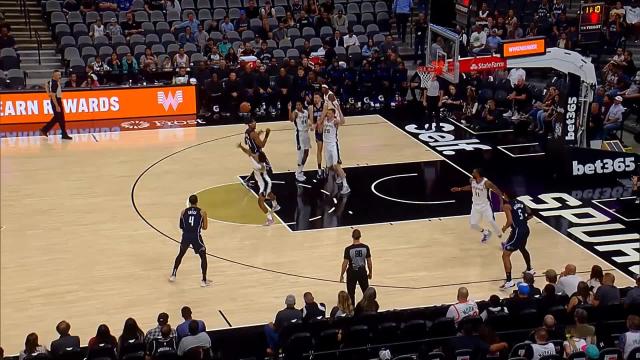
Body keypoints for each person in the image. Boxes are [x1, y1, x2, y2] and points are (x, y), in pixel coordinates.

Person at [451, 168, 503, 243]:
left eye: (474, 172)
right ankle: (486, 233)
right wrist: (459, 189)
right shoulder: (472, 180)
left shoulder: (487, 183)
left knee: (491, 221)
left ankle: (501, 237)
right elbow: (471, 187)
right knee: (473, 225)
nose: (472, 173)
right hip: (475, 206)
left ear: (478, 174)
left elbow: (498, 191)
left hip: (485, 206)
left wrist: (501, 203)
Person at [169, 194, 210, 287]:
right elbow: (205, 227)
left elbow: (181, 226)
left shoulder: (183, 212)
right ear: (197, 201)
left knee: (180, 254)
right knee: (203, 256)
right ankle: (203, 280)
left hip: (186, 236)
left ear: (189, 202)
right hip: (196, 237)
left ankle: (173, 274)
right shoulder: (202, 212)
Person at [499, 190, 534, 289]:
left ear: (505, 195)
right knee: (522, 247)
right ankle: (530, 269)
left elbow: (510, 221)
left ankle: (509, 281)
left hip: (517, 231)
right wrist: (523, 221)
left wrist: (504, 228)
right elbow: (531, 214)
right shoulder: (521, 203)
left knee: (505, 255)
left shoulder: (507, 206)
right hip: (526, 229)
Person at [319, 106, 350, 194]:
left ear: (333, 114)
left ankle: (345, 185)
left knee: (336, 165)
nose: (327, 114)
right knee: (330, 167)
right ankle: (341, 175)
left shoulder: (335, 121)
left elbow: (343, 121)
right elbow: (320, 131)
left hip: (333, 145)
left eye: (329, 113)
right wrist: (320, 123)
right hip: (326, 145)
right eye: (327, 113)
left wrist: (339, 109)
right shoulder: (324, 120)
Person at [340, 229, 372, 305]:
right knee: (366, 292)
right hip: (362, 271)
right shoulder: (365, 247)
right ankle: (368, 308)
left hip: (352, 272)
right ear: (360, 236)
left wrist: (342, 274)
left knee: (351, 294)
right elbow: (369, 262)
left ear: (352, 237)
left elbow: (345, 263)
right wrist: (370, 272)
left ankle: (352, 311)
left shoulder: (348, 249)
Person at [40, 70, 72, 140]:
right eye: (58, 75)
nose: (59, 77)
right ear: (53, 76)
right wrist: (57, 105)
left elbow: (46, 85)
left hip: (56, 101)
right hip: (56, 101)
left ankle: (45, 130)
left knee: (58, 118)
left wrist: (47, 92)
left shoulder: (51, 81)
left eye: (60, 75)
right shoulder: (55, 83)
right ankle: (63, 134)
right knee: (60, 118)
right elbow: (53, 96)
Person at [289, 100, 312, 182]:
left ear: (302, 105)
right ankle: (298, 172)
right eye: (296, 105)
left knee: (307, 152)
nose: (297, 106)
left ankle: (300, 170)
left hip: (306, 133)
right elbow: (291, 120)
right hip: (300, 134)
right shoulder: (295, 112)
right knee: (300, 153)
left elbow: (309, 120)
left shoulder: (306, 112)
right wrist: (289, 109)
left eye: (299, 104)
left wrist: (310, 124)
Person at [309, 92, 325, 177]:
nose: (315, 99)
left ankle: (329, 167)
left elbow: (327, 118)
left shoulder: (325, 106)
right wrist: (312, 126)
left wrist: (321, 124)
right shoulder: (311, 108)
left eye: (317, 98)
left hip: (326, 130)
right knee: (319, 149)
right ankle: (319, 169)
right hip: (318, 132)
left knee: (329, 150)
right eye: (314, 98)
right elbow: (312, 121)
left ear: (321, 98)